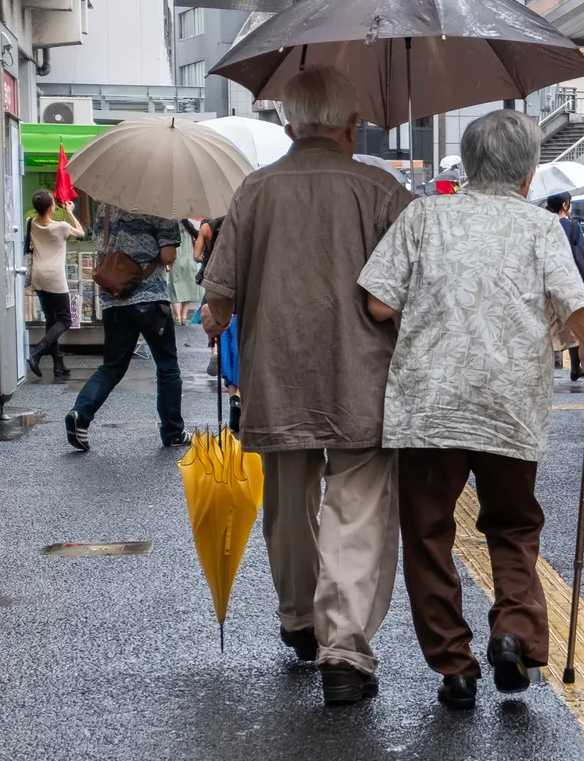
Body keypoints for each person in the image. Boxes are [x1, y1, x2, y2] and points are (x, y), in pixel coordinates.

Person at [357, 109, 584, 711]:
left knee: (427, 534)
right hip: (509, 402)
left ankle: (455, 666)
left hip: (429, 402)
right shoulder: (540, 228)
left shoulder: (423, 216)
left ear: (468, 167)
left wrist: (429, 318)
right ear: (528, 175)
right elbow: (573, 302)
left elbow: (374, 304)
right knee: (514, 525)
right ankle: (514, 636)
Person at [201, 64, 415, 707]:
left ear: (289, 125)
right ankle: (344, 649)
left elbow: (220, 297)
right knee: (358, 508)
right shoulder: (383, 190)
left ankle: (298, 619)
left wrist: (219, 320)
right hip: (364, 377)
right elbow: (412, 287)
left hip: (276, 374)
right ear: (353, 124)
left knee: (288, 501)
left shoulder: (255, 190)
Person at [65, 203, 186, 451]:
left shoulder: (105, 208)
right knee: (167, 367)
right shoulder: (160, 206)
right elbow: (167, 256)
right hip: (150, 299)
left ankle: (81, 413)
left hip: (114, 298)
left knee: (112, 367)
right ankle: (173, 431)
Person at [27, 189, 85, 378]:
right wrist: (70, 211)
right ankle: (38, 350)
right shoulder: (61, 226)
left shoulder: (31, 223)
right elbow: (81, 232)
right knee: (65, 319)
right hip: (55, 277)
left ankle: (58, 363)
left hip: (38, 275)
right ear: (52, 207)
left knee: (52, 319)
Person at [193, 218, 240, 431]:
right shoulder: (244, 222)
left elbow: (196, 256)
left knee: (223, 338)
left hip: (218, 291)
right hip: (244, 297)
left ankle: (233, 396)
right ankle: (244, 400)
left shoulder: (209, 227)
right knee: (243, 348)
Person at [546, 192, 584, 380]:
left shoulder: (542, 224)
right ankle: (575, 368)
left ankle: (545, 369)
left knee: (548, 327)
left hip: (545, 282)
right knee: (573, 323)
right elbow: (582, 253)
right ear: (565, 205)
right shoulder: (572, 226)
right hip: (569, 282)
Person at [169, 221, 206, 324]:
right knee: (187, 288)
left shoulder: (171, 225)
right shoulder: (189, 225)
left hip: (175, 260)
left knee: (175, 289)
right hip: (189, 261)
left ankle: (178, 317)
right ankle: (184, 315)